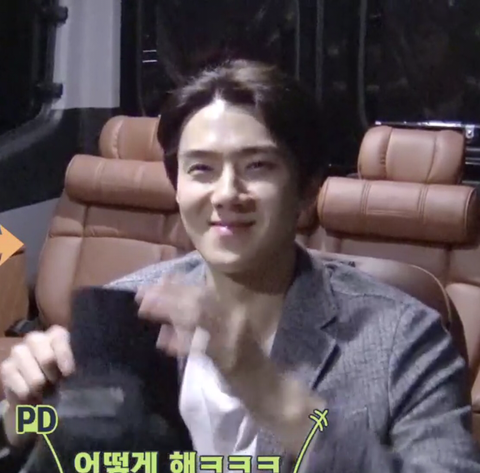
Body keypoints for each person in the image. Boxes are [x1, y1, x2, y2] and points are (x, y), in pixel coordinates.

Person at [1, 59, 480, 473]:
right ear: (177, 188)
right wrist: (21, 418)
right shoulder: (129, 310)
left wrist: (266, 389)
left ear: (307, 190)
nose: (226, 193)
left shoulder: (403, 337)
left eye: (257, 167)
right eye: (201, 169)